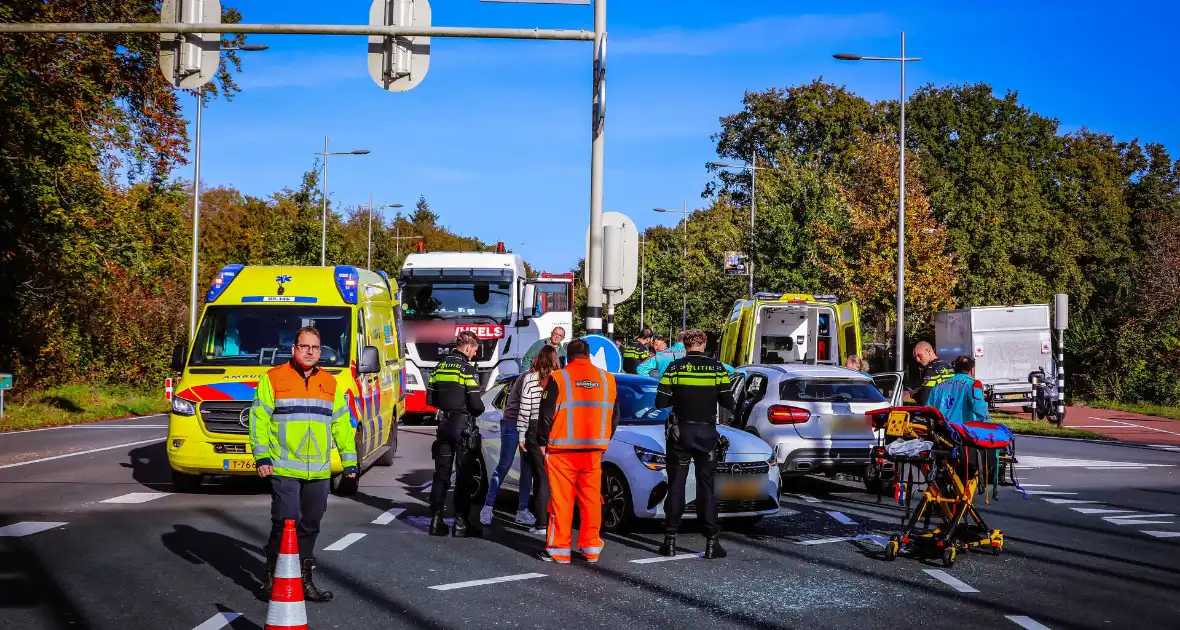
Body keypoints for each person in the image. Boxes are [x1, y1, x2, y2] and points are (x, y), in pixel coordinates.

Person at [250, 326, 357, 603]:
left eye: (315, 348)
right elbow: (258, 419)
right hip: (284, 467)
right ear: (294, 349)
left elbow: (342, 425)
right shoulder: (273, 379)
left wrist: (350, 463)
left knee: (310, 525)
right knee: (286, 521)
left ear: (320, 351)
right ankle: (272, 578)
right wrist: (261, 457)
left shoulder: (330, 383)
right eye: (305, 346)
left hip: (318, 471)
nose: (310, 352)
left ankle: (304, 581)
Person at [655, 329, 736, 560]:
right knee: (706, 487)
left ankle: (669, 541)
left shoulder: (675, 367)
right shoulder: (717, 369)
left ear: (685, 344)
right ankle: (712, 542)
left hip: (681, 432)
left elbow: (660, 401)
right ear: (704, 344)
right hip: (706, 433)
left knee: (677, 485)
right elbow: (728, 401)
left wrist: (680, 396)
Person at [537, 339, 620, 564]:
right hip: (593, 450)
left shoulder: (559, 377)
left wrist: (542, 441)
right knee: (591, 499)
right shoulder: (607, 379)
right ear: (589, 354)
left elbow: (546, 414)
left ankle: (559, 550)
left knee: (561, 501)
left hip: (562, 451)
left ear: (569, 356)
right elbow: (614, 415)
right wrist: (603, 439)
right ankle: (591, 548)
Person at [480, 346, 555, 528]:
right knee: (504, 465)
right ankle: (488, 507)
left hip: (530, 426)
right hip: (514, 423)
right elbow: (525, 409)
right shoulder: (527, 378)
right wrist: (523, 433)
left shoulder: (549, 379)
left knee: (527, 469)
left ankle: (521, 511)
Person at [426, 331, 486, 537]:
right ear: (468, 347)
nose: (475, 354)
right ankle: (460, 523)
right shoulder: (467, 369)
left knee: (441, 475)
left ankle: (435, 521)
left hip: (443, 425)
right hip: (462, 426)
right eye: (475, 350)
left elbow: (430, 400)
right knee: (463, 476)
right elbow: (477, 405)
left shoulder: (439, 367)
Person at [523, 345, 560, 536]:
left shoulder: (530, 378)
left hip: (534, 428)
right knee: (555, 478)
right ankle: (556, 520)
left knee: (540, 477)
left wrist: (522, 435)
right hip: (556, 428)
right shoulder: (561, 378)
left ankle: (541, 523)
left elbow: (525, 409)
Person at [926, 355, 990, 425]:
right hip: (962, 431)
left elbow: (928, 411)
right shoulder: (973, 384)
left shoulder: (937, 387)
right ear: (972, 369)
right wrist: (989, 427)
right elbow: (980, 409)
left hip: (941, 432)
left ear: (955, 369)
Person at [909, 341, 954, 406]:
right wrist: (921, 390)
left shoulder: (931, 371)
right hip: (950, 407)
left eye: (919, 355)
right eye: (916, 357)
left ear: (928, 351)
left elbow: (925, 400)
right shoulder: (948, 366)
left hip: (938, 410)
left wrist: (915, 395)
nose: (918, 360)